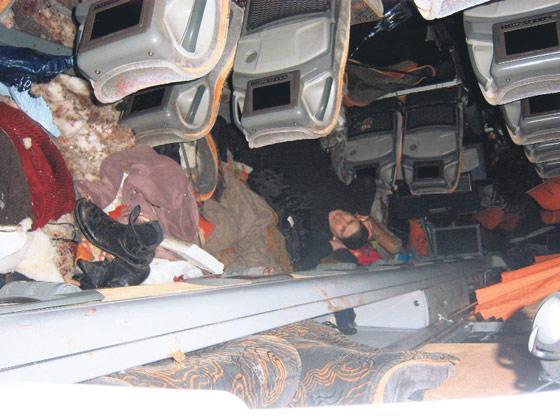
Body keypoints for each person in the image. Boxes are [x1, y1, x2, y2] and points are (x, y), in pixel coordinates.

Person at [304, 209, 404, 335]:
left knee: (345, 282)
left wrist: (333, 245)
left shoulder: (353, 250)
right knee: (344, 282)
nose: (342, 221)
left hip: (359, 270)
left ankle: (344, 321)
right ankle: (344, 321)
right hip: (353, 269)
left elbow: (305, 263)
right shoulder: (345, 246)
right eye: (346, 225)